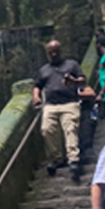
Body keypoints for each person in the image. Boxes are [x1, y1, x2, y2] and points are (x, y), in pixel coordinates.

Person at [32, 39, 85, 183]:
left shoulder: (72, 64)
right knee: (46, 129)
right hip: (50, 105)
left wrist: (73, 81)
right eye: (51, 52)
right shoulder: (44, 70)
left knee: (70, 129)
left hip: (69, 103)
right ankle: (57, 158)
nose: (54, 54)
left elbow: (82, 80)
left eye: (56, 51)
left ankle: (73, 160)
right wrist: (36, 97)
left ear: (60, 51)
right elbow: (37, 85)